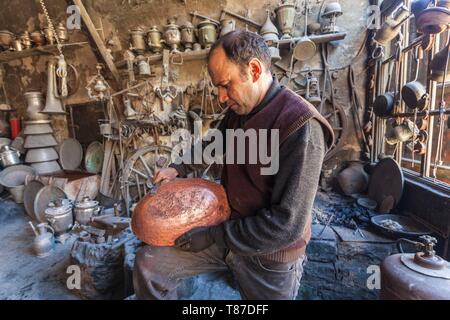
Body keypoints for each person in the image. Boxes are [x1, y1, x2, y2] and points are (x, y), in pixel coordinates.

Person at [133, 30, 334, 300]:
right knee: (149, 264)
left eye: (225, 85)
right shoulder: (239, 113)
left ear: (253, 69)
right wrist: (178, 168)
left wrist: (215, 235)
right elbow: (214, 144)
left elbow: (286, 225)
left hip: (269, 256)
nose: (221, 97)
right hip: (228, 233)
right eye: (217, 87)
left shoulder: (300, 126)